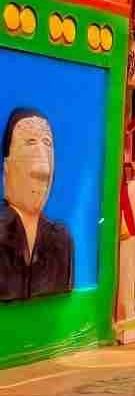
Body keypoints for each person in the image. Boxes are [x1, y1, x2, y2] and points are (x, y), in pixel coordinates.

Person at [0, 107, 73, 301]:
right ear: (6, 167)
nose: (43, 167)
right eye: (29, 142)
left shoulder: (60, 240)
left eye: (47, 143)